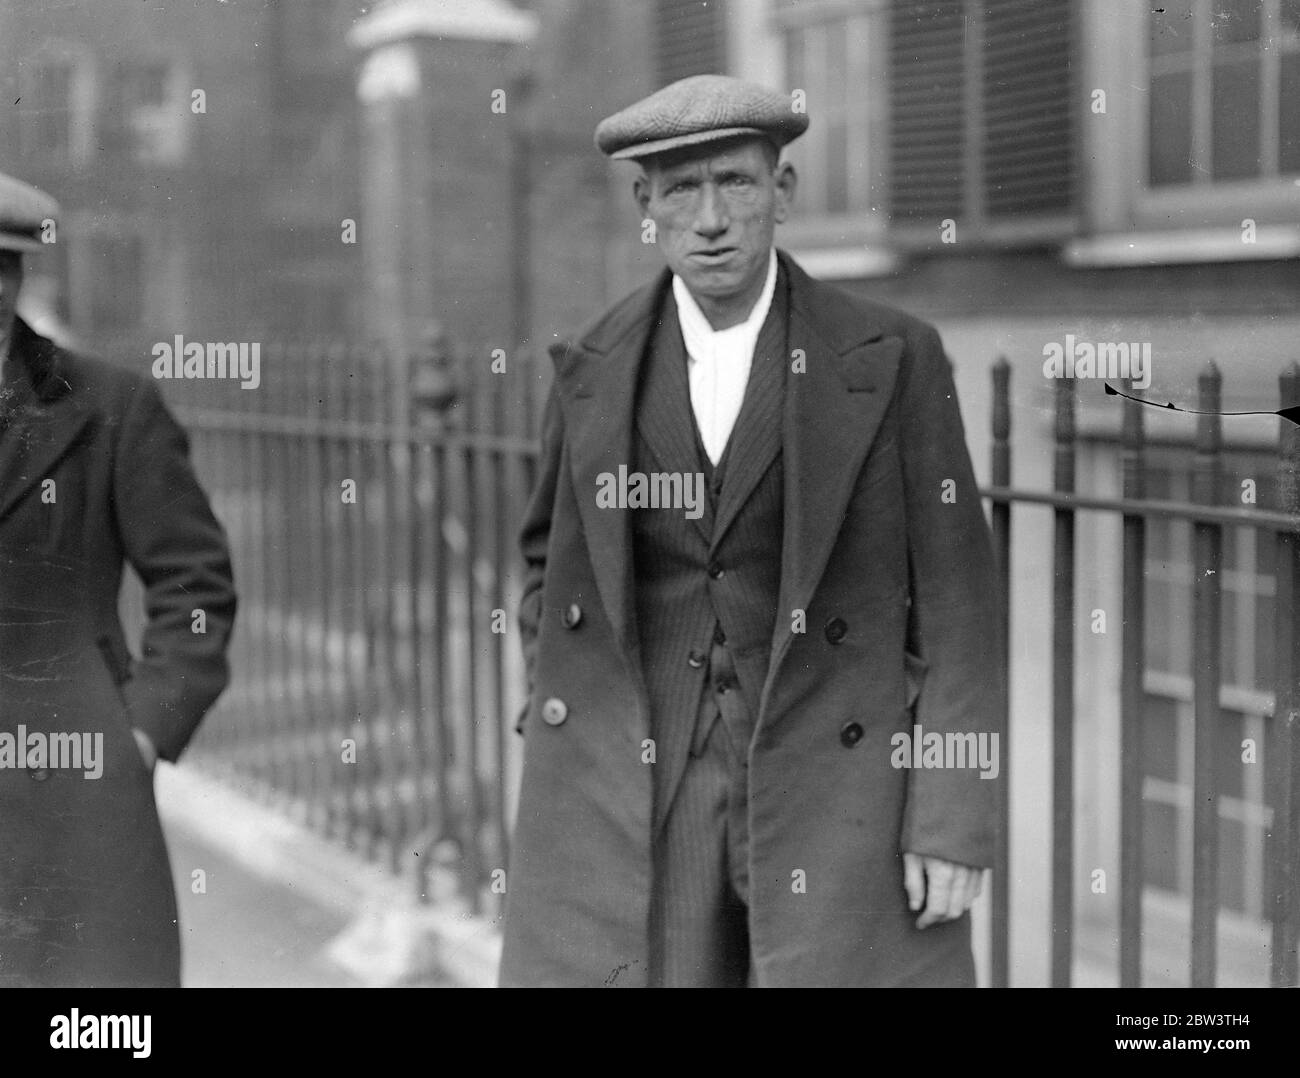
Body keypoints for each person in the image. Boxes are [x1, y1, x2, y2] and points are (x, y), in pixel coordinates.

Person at [500, 75, 1001, 988]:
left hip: (839, 787)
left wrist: (952, 818)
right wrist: (562, 715)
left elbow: (961, 603)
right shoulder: (593, 367)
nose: (711, 219)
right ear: (644, 204)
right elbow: (550, 566)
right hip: (653, 789)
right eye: (680, 190)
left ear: (783, 191)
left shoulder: (892, 357)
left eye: (734, 182)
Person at [0, 171, 236, 986]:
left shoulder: (109, 405)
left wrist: (139, 730)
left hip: (76, 780)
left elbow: (195, 585)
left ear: (15, 274)